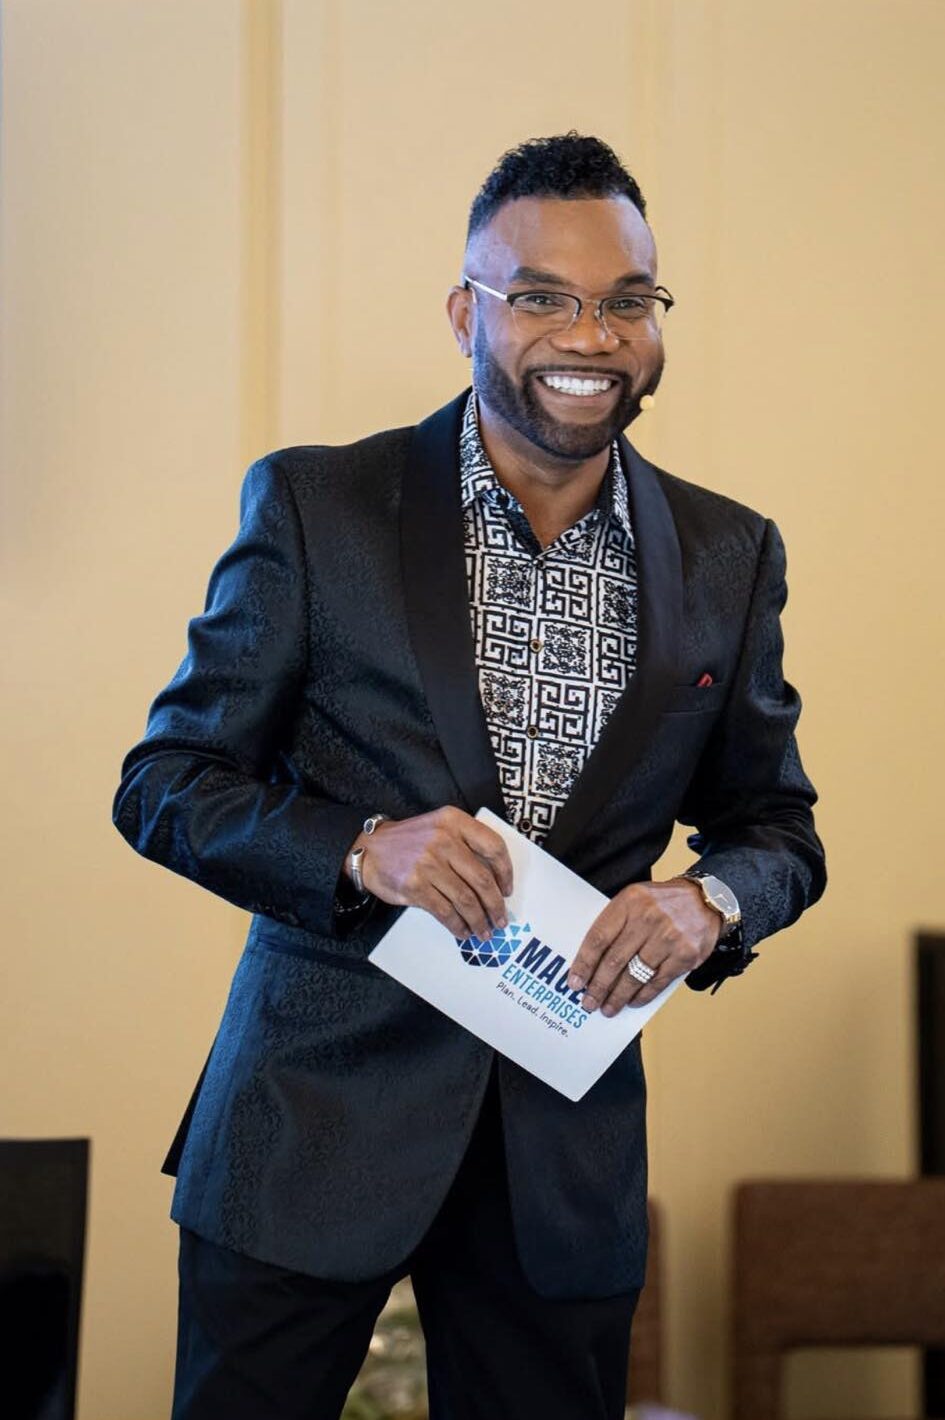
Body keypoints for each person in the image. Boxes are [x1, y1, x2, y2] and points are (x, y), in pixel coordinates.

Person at [113, 132, 825, 1420]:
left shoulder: (732, 553)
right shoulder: (318, 507)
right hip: (307, 1128)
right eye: (542, 297)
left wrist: (709, 903)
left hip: (559, 1164)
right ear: (465, 314)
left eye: (626, 301)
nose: (590, 336)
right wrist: (357, 849)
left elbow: (777, 826)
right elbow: (167, 780)